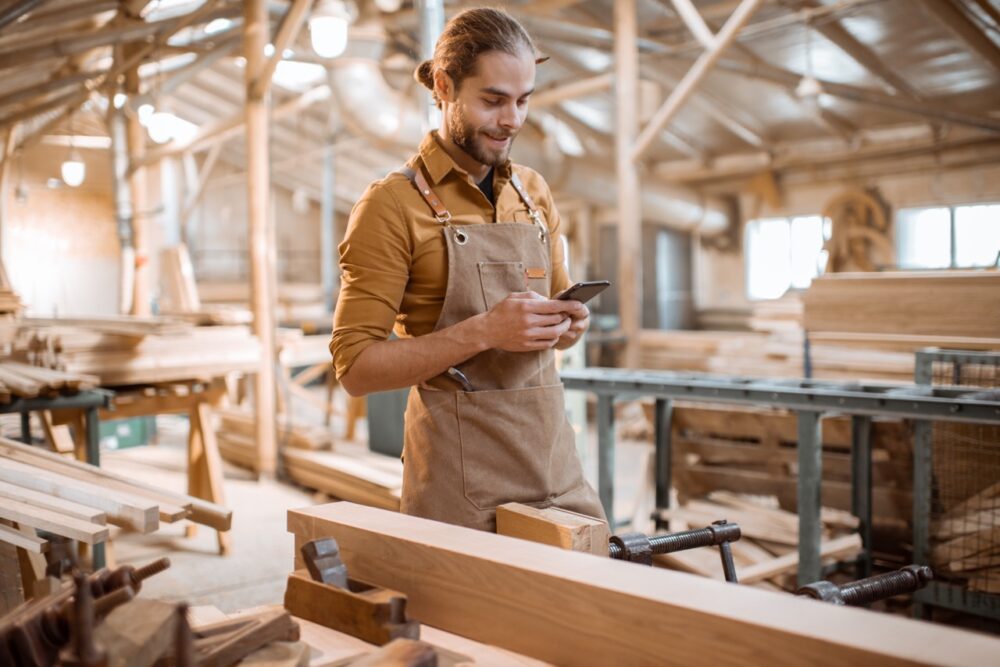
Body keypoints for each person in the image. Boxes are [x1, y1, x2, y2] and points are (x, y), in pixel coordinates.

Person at [329, 7, 606, 531]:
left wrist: (567, 325)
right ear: (443, 86)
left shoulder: (534, 193)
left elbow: (552, 327)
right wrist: (484, 331)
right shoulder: (390, 206)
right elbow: (356, 369)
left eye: (523, 100)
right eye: (493, 100)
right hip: (459, 481)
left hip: (553, 461)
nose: (513, 120)